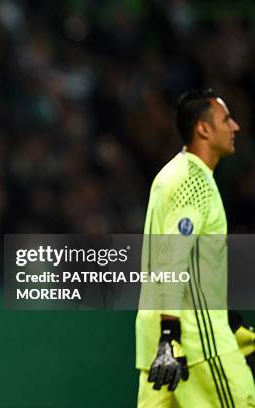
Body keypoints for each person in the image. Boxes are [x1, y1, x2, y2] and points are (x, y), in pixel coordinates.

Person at [135, 88, 255, 407]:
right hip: (193, 342)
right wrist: (170, 335)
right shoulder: (194, 182)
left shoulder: (171, 175)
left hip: (159, 347)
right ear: (203, 129)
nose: (236, 127)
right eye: (226, 119)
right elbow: (173, 258)